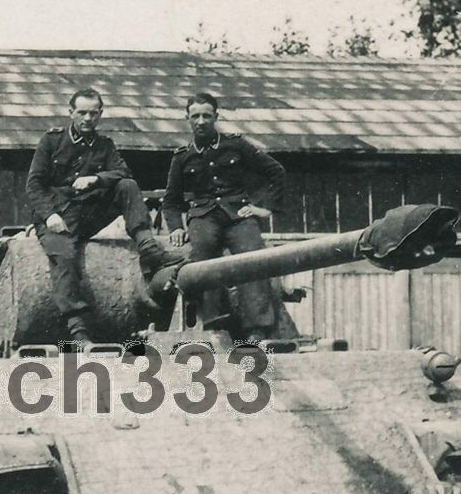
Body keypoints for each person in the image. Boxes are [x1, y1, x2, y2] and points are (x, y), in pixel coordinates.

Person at [25, 87, 170, 347]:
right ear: (70, 112)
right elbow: (34, 185)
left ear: (100, 114)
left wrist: (97, 178)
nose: (87, 118)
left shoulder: (104, 145)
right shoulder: (51, 141)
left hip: (89, 214)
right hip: (58, 218)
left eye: (93, 113)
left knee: (127, 186)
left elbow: (124, 172)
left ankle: (147, 246)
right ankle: (78, 330)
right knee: (64, 259)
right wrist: (49, 216)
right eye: (82, 113)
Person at [161, 91, 286, 341]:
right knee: (203, 257)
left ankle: (257, 329)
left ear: (216, 117)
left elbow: (276, 171)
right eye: (195, 116)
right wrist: (175, 227)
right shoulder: (182, 156)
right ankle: (213, 324)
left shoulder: (236, 145)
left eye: (207, 116)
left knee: (253, 256)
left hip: (238, 214)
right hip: (203, 215)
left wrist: (265, 208)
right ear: (187, 119)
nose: (201, 121)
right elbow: (171, 201)